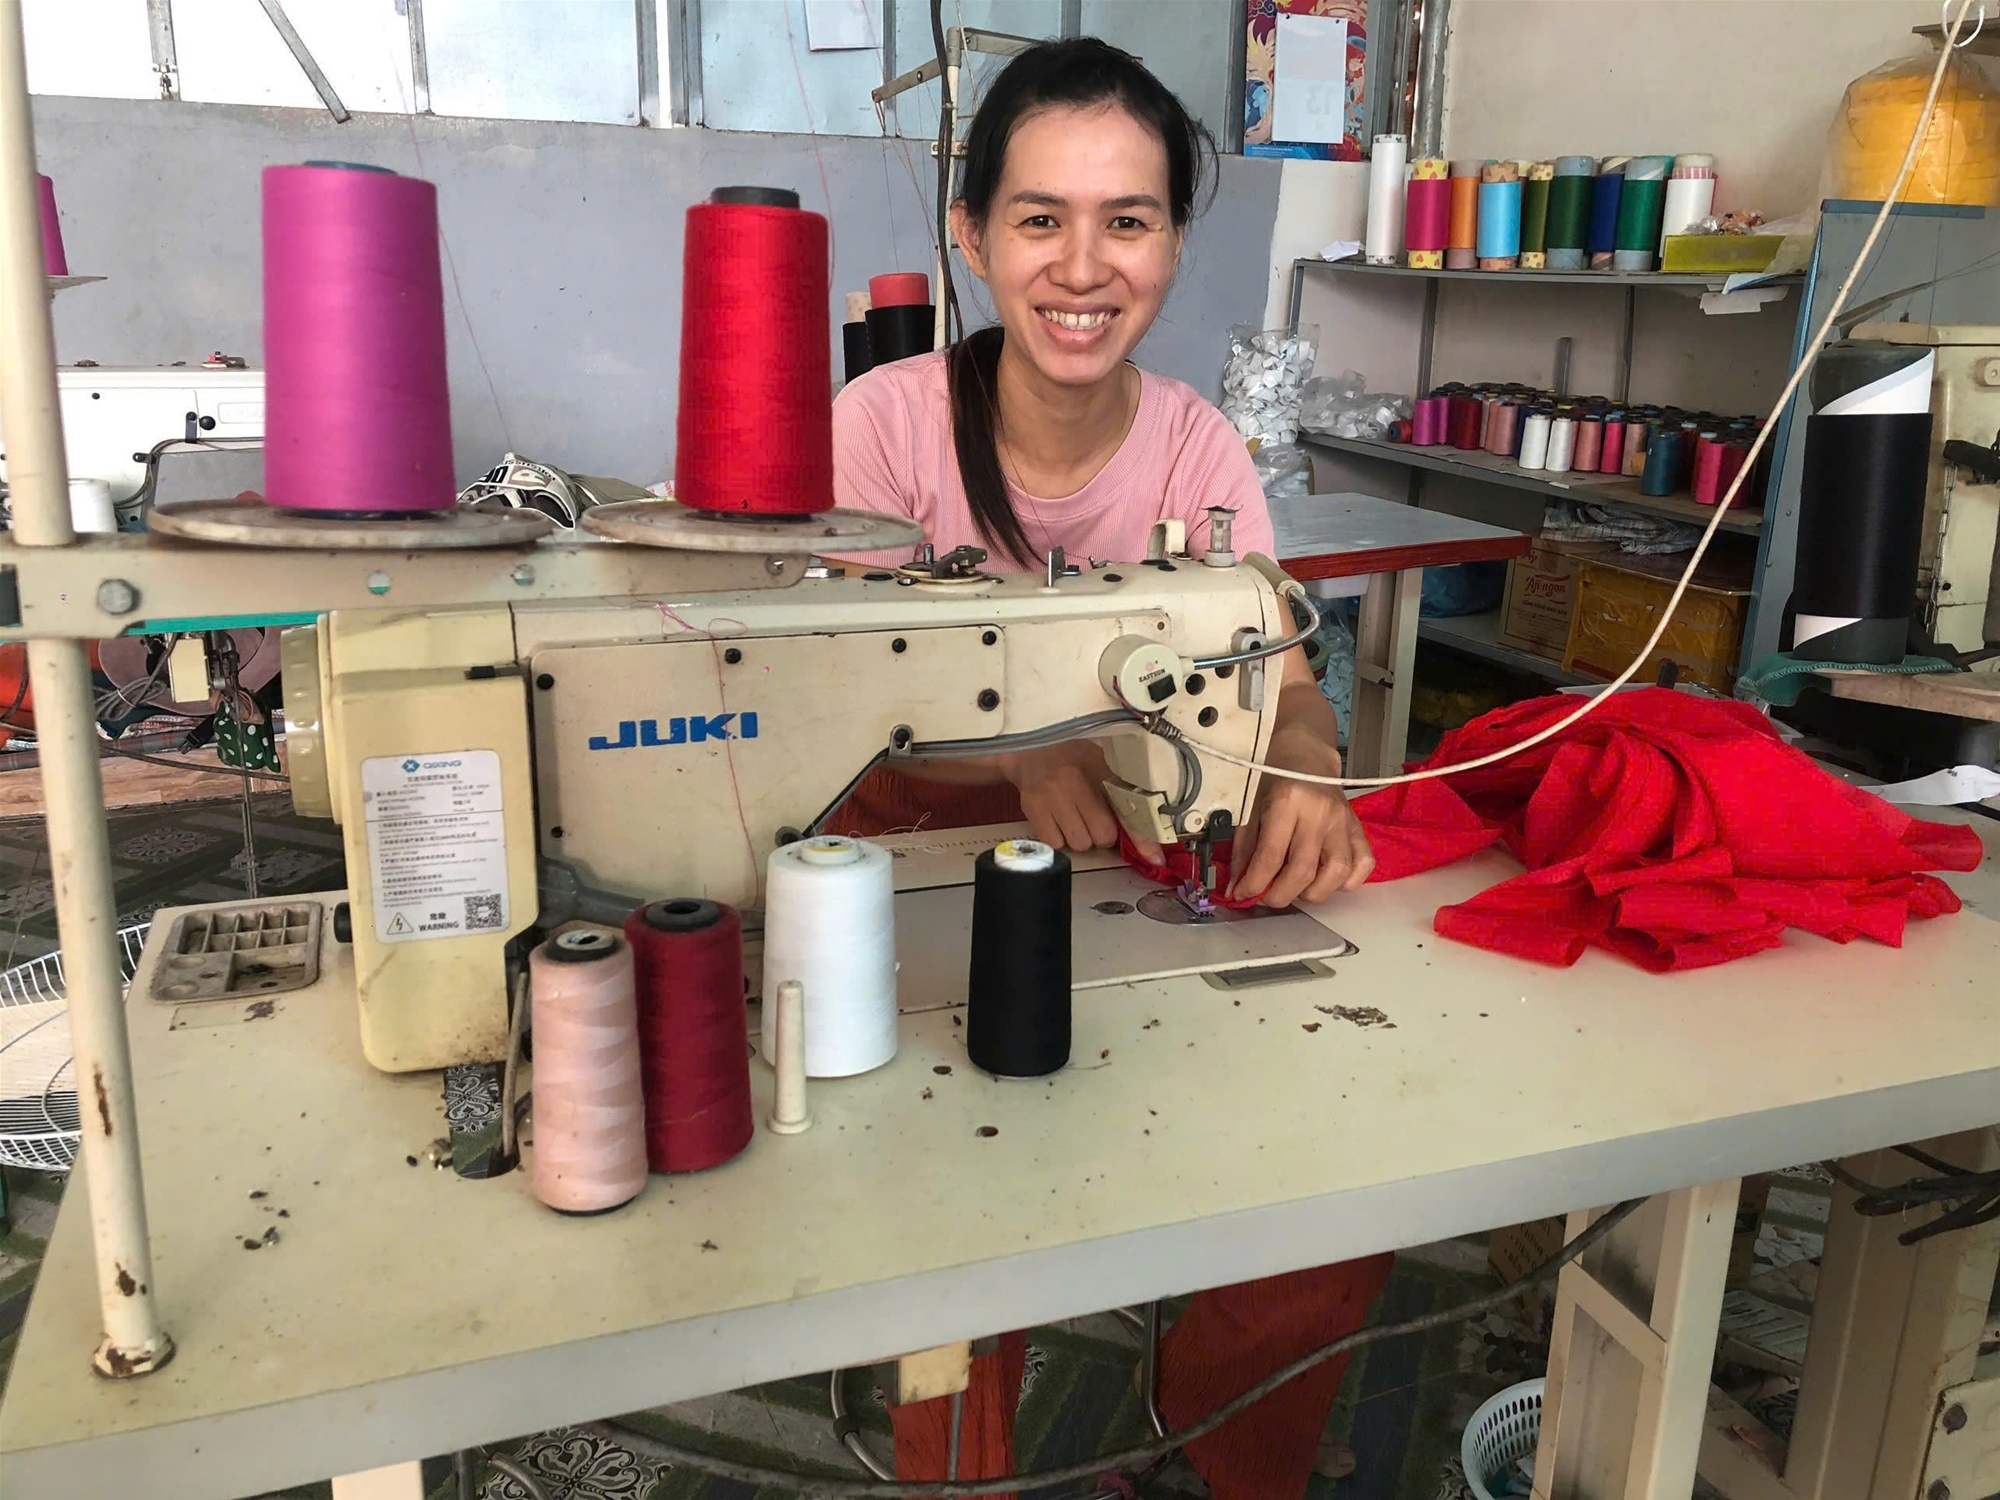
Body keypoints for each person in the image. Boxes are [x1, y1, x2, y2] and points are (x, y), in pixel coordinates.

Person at [827, 36, 1391, 1500]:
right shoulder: (883, 432)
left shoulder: (1198, 452)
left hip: (1124, 862)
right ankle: (965, 1475)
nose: (1084, 267)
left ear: (1175, 241)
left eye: (1127, 220)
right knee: (965, 1212)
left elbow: (1281, 673)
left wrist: (1309, 766)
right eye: (1040, 218)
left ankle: (1220, 1454)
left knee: (1334, 1184)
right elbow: (830, 708)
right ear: (971, 234)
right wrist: (1027, 757)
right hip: (912, 860)